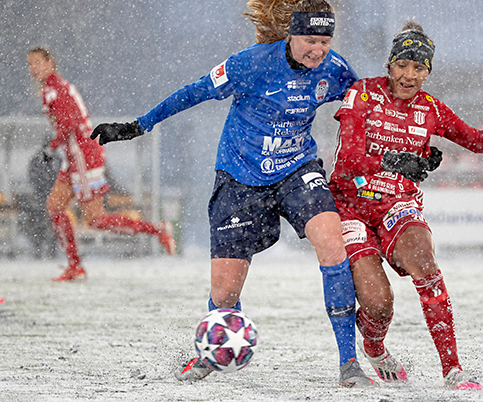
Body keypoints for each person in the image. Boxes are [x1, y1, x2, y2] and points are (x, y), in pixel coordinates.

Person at [91, 0, 375, 388]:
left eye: (325, 41)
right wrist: (139, 125)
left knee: (332, 242)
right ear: (291, 34)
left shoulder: (336, 69)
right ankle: (213, 353)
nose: (318, 50)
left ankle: (349, 364)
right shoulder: (250, 63)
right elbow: (195, 92)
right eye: (310, 40)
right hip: (240, 179)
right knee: (224, 293)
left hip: (297, 169)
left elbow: (373, 108)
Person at [328, 21, 483, 390]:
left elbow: (474, 139)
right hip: (351, 206)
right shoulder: (362, 94)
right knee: (379, 304)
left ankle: (452, 370)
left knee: (425, 261)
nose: (409, 75)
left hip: (396, 203)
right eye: (403, 65)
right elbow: (347, 161)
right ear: (390, 65)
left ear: (428, 72)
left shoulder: (430, 108)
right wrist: (394, 161)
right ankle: (374, 344)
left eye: (419, 68)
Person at [26, 47, 176, 282]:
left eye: (37, 62)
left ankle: (157, 230)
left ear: (50, 63)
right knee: (55, 206)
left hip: (83, 156)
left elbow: (70, 124)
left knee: (95, 220)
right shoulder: (54, 87)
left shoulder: (54, 89)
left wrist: (50, 148)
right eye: (30, 64)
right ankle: (75, 267)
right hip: (74, 156)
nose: (33, 68)